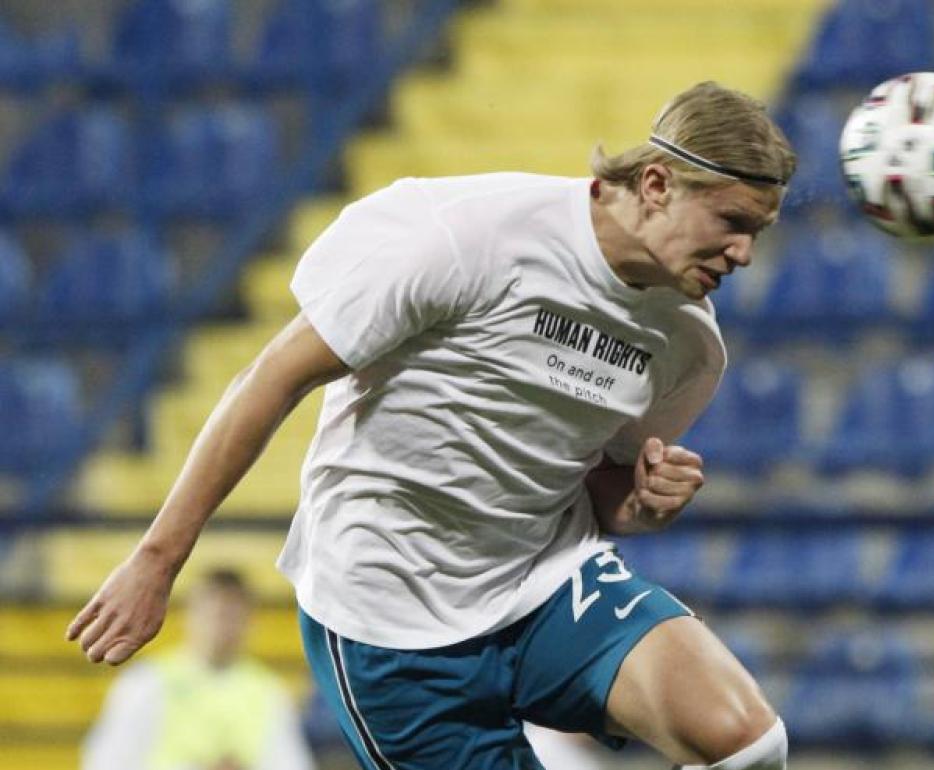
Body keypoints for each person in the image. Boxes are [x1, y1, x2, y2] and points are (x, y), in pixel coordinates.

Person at [67, 80, 797, 770]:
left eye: (757, 232)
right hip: (389, 616)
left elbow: (599, 490)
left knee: (747, 743)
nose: (744, 254)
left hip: (542, 583)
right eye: (732, 223)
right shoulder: (467, 236)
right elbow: (271, 378)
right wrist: (158, 561)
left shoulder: (688, 342)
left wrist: (639, 505)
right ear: (658, 184)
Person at [80, 568, 316, 770]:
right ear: (191, 614)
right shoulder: (148, 682)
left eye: (231, 615)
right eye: (214, 612)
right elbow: (108, 760)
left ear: (248, 621)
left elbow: (289, 762)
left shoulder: (269, 692)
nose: (220, 625)